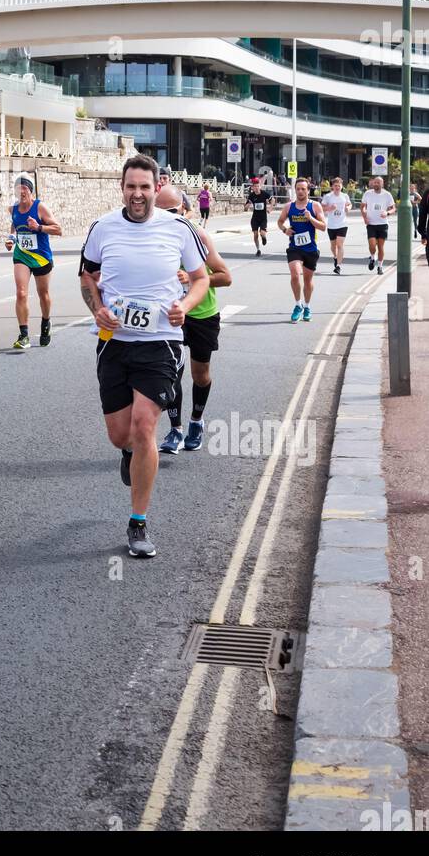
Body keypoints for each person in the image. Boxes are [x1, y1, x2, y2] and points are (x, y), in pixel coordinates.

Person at [78, 154, 209, 559]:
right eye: (131, 186)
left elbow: (202, 278)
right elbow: (87, 275)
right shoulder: (102, 228)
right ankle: (130, 453)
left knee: (144, 424)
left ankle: (138, 522)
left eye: (145, 187)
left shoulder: (178, 228)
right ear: (122, 188)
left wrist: (185, 305)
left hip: (160, 342)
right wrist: (95, 307)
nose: (138, 194)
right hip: (113, 343)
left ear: (156, 188)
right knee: (122, 435)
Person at [155, 184, 232, 454]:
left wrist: (194, 278)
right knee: (171, 373)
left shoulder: (198, 236)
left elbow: (226, 276)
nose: (167, 218)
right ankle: (175, 429)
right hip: (172, 317)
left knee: (201, 375)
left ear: (186, 210)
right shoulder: (153, 237)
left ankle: (196, 422)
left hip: (201, 314)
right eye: (160, 212)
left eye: (173, 211)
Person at [7, 174, 63, 349]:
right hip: (21, 255)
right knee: (21, 292)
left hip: (41, 257)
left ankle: (46, 323)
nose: (21, 191)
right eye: (18, 188)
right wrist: (10, 239)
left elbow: (58, 229)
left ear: (30, 191)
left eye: (24, 188)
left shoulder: (40, 208)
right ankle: (24, 335)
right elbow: (14, 227)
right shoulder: (13, 209)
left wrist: (39, 227)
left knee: (43, 294)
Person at [278, 176, 326, 321]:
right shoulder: (289, 207)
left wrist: (310, 218)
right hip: (295, 248)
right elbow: (280, 221)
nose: (300, 191)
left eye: (303, 189)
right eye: (298, 189)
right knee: (294, 274)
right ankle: (298, 305)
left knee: (307, 280)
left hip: (310, 249)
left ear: (308, 190)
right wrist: (285, 229)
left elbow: (323, 227)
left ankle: (307, 306)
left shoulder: (315, 206)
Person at [360, 175, 396, 275]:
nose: (375, 184)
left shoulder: (387, 194)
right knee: (372, 245)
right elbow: (362, 207)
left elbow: (393, 208)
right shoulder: (368, 193)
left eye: (378, 183)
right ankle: (372, 258)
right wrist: (364, 217)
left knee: (380, 247)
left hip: (383, 224)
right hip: (371, 223)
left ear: (382, 183)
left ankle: (380, 267)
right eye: (374, 182)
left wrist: (387, 213)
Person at [321, 175, 353, 275]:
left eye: (339, 186)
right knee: (333, 246)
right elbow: (322, 208)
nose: (337, 187)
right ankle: (335, 257)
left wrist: (349, 208)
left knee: (340, 245)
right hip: (331, 225)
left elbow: (349, 204)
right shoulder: (328, 196)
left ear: (341, 186)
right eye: (335, 186)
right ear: (332, 186)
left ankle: (338, 266)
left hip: (342, 224)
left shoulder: (345, 196)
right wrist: (330, 208)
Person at [245, 176, 271, 256]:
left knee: (262, 233)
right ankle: (258, 249)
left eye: (257, 186)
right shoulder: (252, 195)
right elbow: (246, 206)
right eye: (254, 186)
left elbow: (272, 200)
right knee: (255, 234)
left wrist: (270, 208)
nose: (256, 188)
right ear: (252, 187)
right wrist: (246, 206)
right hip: (255, 218)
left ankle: (264, 238)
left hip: (263, 217)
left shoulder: (264, 194)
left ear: (260, 186)